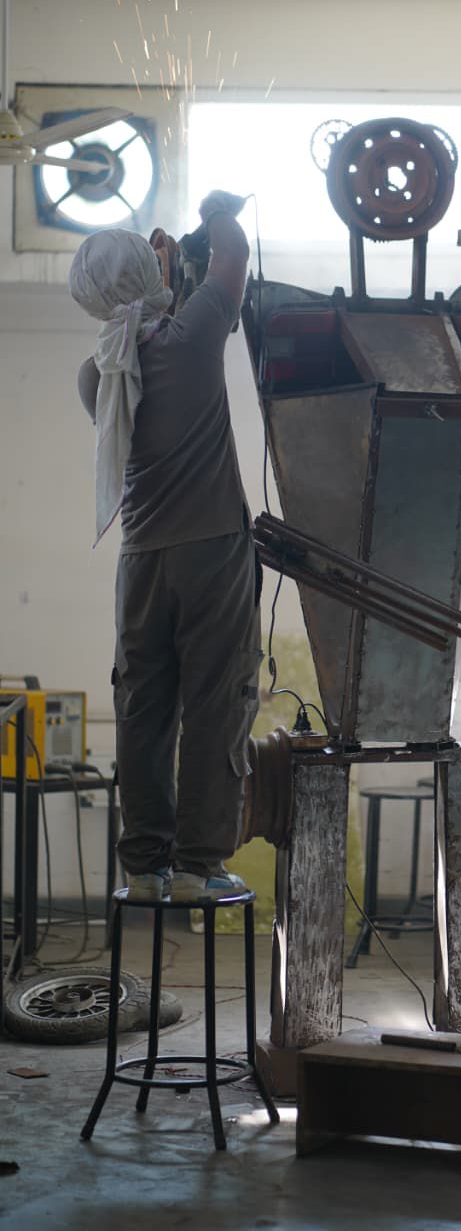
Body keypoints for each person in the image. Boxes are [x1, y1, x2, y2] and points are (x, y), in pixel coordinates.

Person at [69, 191, 262, 902]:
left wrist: (159, 281)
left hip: (139, 562)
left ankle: (143, 867)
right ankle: (197, 867)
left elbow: (139, 337)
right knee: (216, 704)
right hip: (210, 554)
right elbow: (233, 255)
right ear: (149, 278)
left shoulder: (96, 374)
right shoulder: (194, 334)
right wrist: (215, 211)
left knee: (143, 710)